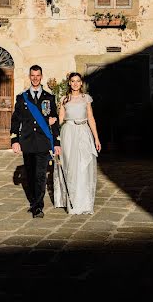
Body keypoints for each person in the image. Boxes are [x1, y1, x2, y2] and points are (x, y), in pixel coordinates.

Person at [10, 65, 61, 218]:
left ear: (41, 76)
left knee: (40, 175)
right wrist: (15, 140)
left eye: (38, 75)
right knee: (30, 175)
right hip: (27, 142)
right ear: (29, 76)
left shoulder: (49, 97)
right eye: (33, 75)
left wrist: (57, 143)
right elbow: (15, 121)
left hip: (43, 142)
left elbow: (55, 121)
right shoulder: (22, 97)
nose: (35, 78)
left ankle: (38, 206)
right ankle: (33, 202)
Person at [53, 72, 101, 215]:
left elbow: (91, 118)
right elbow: (60, 118)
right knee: (71, 166)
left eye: (77, 81)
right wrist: (52, 131)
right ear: (69, 83)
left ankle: (84, 202)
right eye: (72, 81)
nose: (75, 83)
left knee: (83, 166)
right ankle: (71, 202)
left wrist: (96, 138)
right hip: (68, 133)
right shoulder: (64, 99)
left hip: (84, 132)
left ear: (81, 83)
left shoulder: (86, 98)